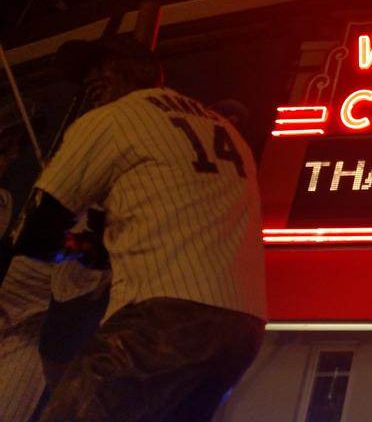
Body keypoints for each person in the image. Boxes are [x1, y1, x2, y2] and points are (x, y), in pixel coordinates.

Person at [11, 34, 267, 421]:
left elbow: (37, 233)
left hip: (163, 317)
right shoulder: (223, 129)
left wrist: (79, 247)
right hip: (241, 327)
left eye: (99, 71)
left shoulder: (114, 118)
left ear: (132, 73)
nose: (90, 84)